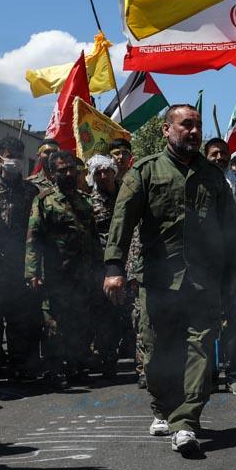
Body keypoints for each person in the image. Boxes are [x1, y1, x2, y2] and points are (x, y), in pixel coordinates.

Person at [103, 105, 236, 456]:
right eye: (187, 125)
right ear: (167, 130)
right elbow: (122, 221)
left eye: (197, 125)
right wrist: (113, 267)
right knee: (156, 354)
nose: (194, 131)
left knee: (201, 350)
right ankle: (163, 408)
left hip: (203, 281)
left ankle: (186, 422)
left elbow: (231, 229)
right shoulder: (145, 171)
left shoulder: (214, 177)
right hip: (159, 280)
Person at [25, 150, 101, 388]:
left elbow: (93, 238)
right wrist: (32, 272)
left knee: (81, 324)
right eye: (62, 169)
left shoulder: (85, 201)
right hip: (55, 276)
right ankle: (54, 370)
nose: (68, 173)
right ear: (53, 172)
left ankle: (76, 367)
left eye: (71, 168)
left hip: (83, 276)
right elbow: (33, 238)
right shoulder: (44, 201)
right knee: (54, 325)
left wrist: (101, 270)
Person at [0, 137, 41, 380]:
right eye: (10, 155)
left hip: (21, 265)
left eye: (18, 155)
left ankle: (20, 367)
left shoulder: (30, 191)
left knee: (20, 320)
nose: (14, 161)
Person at [205, 137, 236, 396]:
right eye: (214, 154)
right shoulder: (196, 184)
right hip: (205, 267)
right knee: (205, 323)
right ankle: (209, 375)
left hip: (234, 265)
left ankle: (234, 375)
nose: (219, 158)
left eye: (223, 153)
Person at [87, 154, 128, 378]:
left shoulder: (128, 193)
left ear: (114, 171)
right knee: (105, 314)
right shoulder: (88, 200)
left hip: (129, 260)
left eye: (106, 170)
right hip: (101, 266)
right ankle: (107, 358)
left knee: (131, 313)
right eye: (98, 173)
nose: (103, 176)